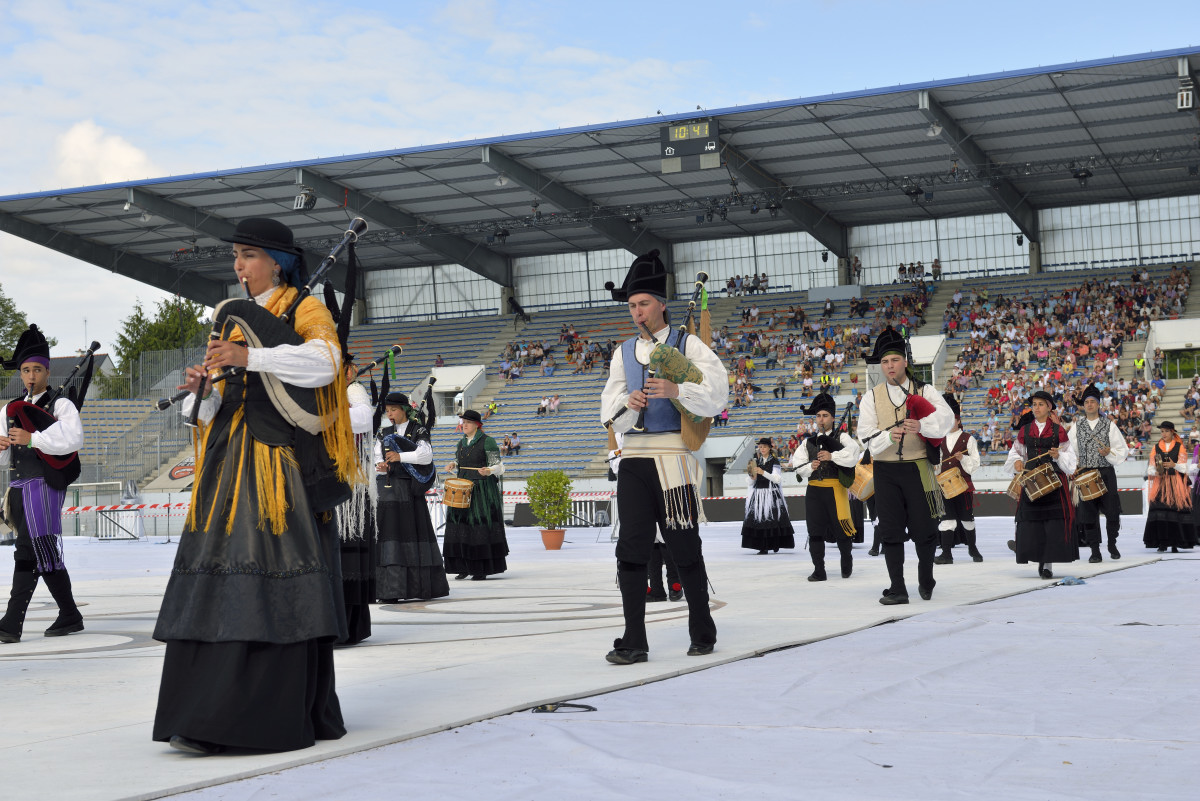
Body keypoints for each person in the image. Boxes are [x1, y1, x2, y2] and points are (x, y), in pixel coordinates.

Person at [152, 217, 353, 754]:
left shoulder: (304, 307)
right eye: (237, 255)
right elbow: (213, 408)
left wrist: (251, 356)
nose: (238, 265)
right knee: (215, 577)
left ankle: (256, 717)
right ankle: (202, 712)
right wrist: (202, 391)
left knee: (269, 574)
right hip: (225, 460)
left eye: (248, 254)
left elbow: (327, 363)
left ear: (277, 263)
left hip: (275, 463)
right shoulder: (230, 319)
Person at [600, 250, 727, 664]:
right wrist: (629, 403)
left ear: (661, 304)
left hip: (673, 457)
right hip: (634, 461)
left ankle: (702, 630)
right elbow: (608, 411)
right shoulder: (623, 352)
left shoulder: (687, 344)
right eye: (632, 306)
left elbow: (717, 396)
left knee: (684, 546)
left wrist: (677, 390)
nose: (637, 312)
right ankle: (634, 639)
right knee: (631, 549)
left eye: (643, 304)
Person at [0, 324, 86, 644]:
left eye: (37, 369)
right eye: (26, 370)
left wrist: (33, 438)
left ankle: (11, 622)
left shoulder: (61, 404)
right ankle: (70, 614)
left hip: (45, 485)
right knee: (43, 549)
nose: (31, 376)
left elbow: (73, 439)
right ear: (20, 373)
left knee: (27, 547)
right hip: (18, 487)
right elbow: (5, 457)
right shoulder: (9, 409)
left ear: (48, 371)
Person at [857, 327, 954, 604]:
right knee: (890, 530)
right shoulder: (871, 396)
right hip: (886, 471)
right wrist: (888, 436)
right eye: (885, 361)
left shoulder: (925, 390)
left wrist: (922, 425)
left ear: (905, 361)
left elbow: (946, 420)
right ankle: (898, 588)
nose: (890, 366)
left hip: (918, 468)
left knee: (925, 528)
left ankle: (926, 578)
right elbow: (865, 435)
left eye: (895, 360)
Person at [375, 392, 449, 601]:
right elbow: (378, 457)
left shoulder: (418, 429)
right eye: (387, 411)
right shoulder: (384, 432)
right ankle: (390, 590)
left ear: (405, 410)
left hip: (409, 492)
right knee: (389, 537)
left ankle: (418, 588)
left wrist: (400, 456)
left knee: (410, 534)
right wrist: (381, 465)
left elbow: (426, 456)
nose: (390, 414)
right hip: (388, 493)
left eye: (394, 410)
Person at [1003, 391, 1078, 579]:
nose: (1036, 408)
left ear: (1049, 408)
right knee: (1033, 523)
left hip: (1054, 481)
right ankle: (1039, 558)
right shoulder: (1025, 430)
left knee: (1052, 524)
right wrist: (1017, 461)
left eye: (1040, 404)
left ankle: (1047, 564)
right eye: (1034, 404)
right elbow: (1016, 451)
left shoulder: (1059, 430)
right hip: (1031, 481)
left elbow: (1070, 457)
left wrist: (1058, 455)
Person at [792, 394, 861, 579]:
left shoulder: (842, 437)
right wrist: (810, 467)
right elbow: (797, 464)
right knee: (814, 531)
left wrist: (832, 456)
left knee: (842, 530)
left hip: (835, 489)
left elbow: (853, 455)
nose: (821, 419)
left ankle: (846, 562)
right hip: (814, 490)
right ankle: (819, 570)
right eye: (818, 416)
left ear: (832, 417)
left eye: (825, 415)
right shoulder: (808, 442)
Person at [336, 353, 378, 644]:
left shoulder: (354, 390)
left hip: (350, 487)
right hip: (325, 481)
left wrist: (327, 409)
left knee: (346, 553)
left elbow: (363, 419)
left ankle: (349, 626)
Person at [444, 409, 509, 580]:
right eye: (463, 422)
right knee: (460, 528)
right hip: (462, 489)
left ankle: (480, 568)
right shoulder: (461, 443)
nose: (464, 425)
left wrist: (489, 470)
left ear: (477, 425)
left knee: (478, 528)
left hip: (481, 491)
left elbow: (499, 466)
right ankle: (463, 566)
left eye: (468, 422)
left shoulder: (488, 442)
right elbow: (460, 460)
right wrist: (453, 464)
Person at [1068, 383, 1127, 563]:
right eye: (1087, 402)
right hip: (1085, 473)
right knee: (1088, 513)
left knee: (1112, 512)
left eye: (1093, 401)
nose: (1089, 405)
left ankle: (1112, 544)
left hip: (1106, 472)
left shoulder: (1109, 425)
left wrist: (1109, 452)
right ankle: (1095, 551)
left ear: (1098, 404)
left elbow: (1122, 450)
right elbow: (1069, 450)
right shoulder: (1077, 426)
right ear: (1083, 405)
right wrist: (1073, 466)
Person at [933, 394, 982, 564]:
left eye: (951, 420)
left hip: (963, 486)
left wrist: (963, 459)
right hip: (945, 488)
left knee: (967, 518)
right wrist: (935, 468)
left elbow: (975, 463)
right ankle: (946, 554)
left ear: (958, 420)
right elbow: (937, 463)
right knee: (947, 519)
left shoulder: (968, 439)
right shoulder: (940, 440)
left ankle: (972, 548)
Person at [1142, 421, 1194, 553]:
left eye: (1166, 431)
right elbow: (1150, 468)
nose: (1163, 434)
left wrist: (1173, 465)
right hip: (1160, 483)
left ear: (1172, 432)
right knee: (1160, 513)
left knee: (1175, 513)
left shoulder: (1179, 447)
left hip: (1175, 484)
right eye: (1162, 431)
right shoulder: (1156, 447)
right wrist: (1156, 472)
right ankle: (1162, 543)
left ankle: (1175, 543)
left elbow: (1184, 468)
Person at [741, 438, 795, 554]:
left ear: (770, 448)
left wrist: (763, 472)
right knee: (760, 520)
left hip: (771, 494)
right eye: (760, 447)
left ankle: (775, 544)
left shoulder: (774, 462)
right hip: (758, 494)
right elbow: (751, 482)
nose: (762, 449)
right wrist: (752, 477)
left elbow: (777, 479)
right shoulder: (756, 461)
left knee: (773, 519)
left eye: (764, 447)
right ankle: (762, 546)